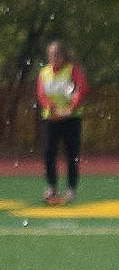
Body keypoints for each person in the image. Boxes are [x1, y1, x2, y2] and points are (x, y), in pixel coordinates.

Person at [36, 40, 88, 205]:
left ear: (63, 56)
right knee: (49, 153)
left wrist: (70, 109)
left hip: (70, 119)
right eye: (51, 55)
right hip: (51, 119)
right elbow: (41, 94)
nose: (54, 58)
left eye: (57, 55)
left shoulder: (72, 70)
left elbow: (81, 89)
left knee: (71, 154)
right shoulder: (44, 72)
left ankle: (71, 188)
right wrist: (51, 109)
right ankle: (51, 186)